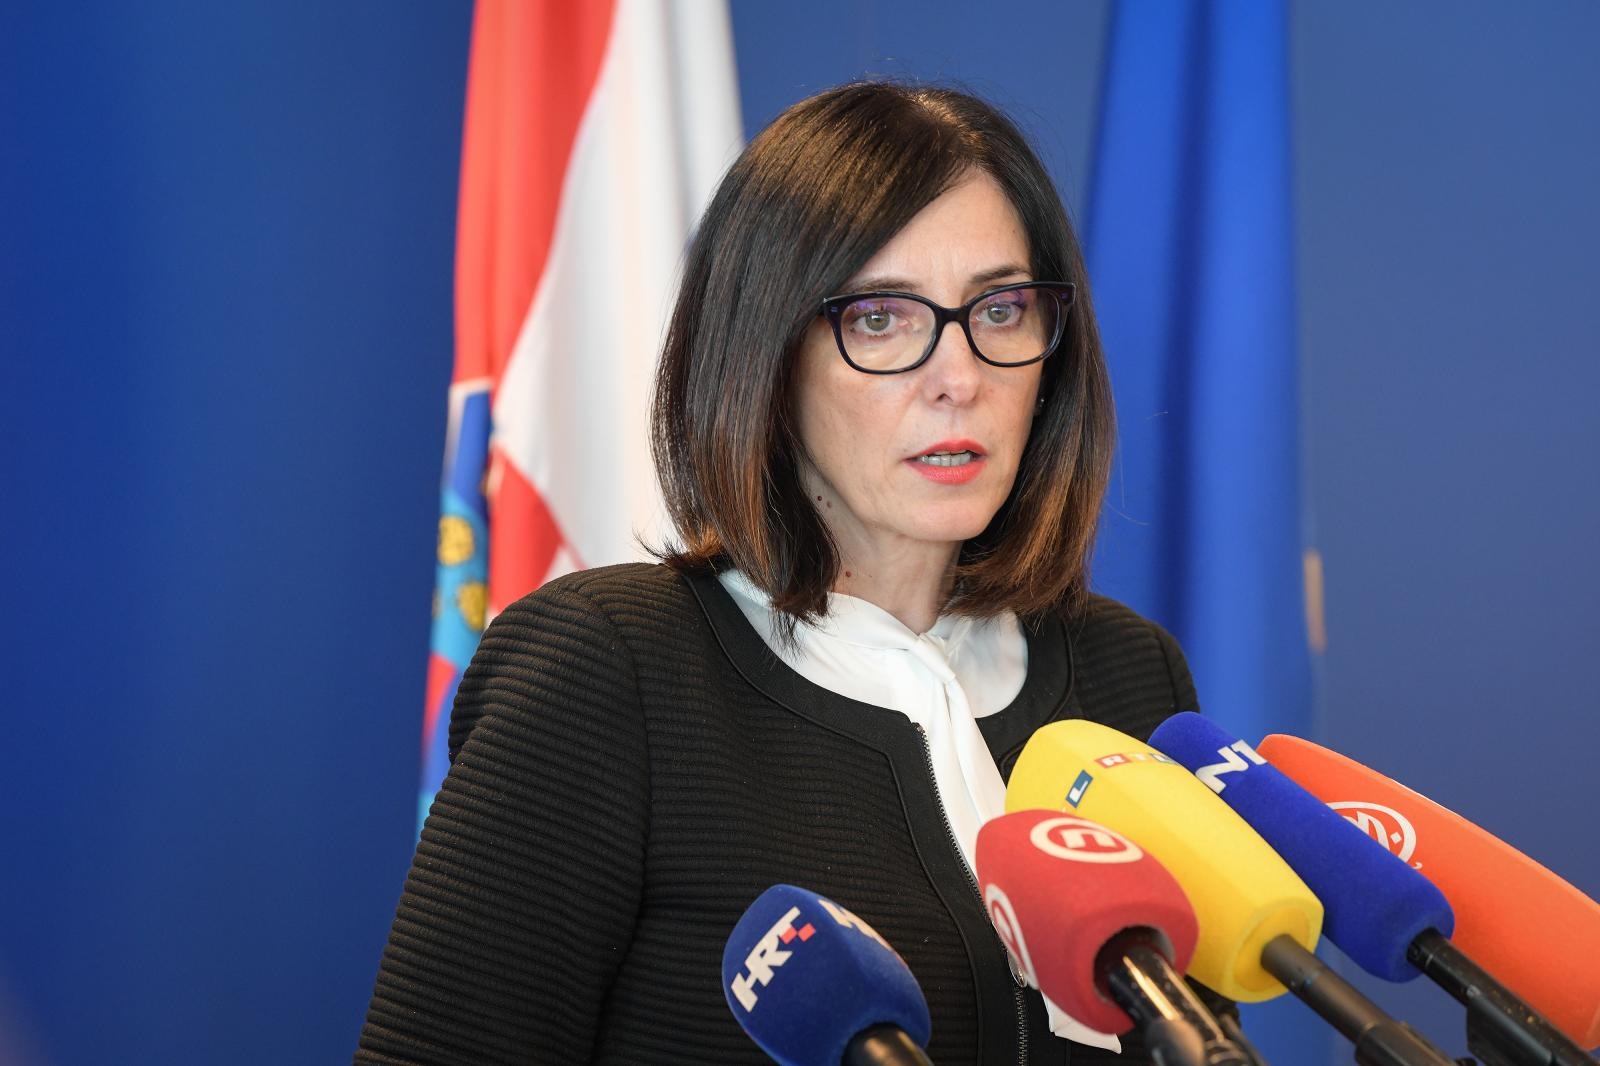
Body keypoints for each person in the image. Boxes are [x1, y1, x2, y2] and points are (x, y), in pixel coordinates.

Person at [356, 81, 1229, 1065]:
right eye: (882, 318)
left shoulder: (1127, 676)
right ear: (766, 352)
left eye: (1000, 308)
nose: (960, 378)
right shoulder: (609, 673)